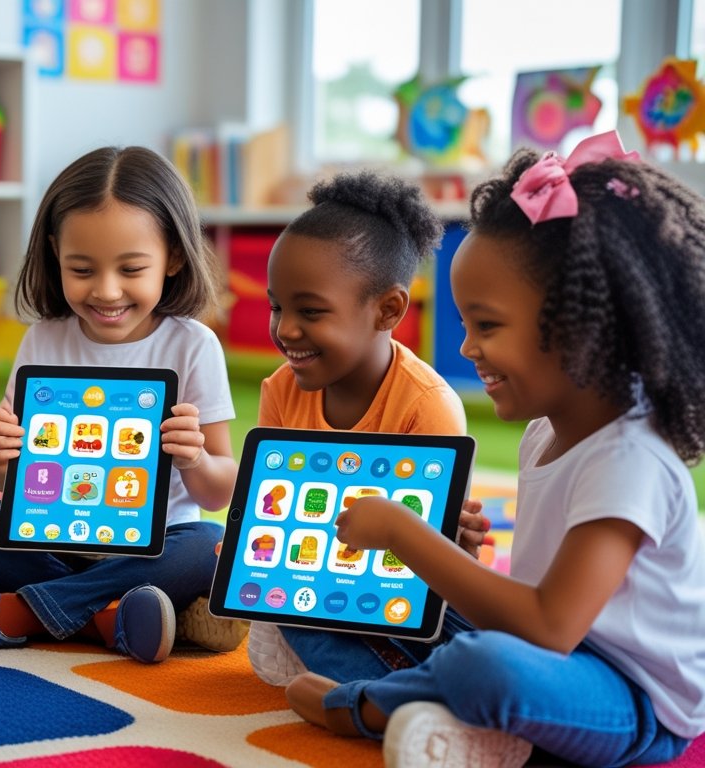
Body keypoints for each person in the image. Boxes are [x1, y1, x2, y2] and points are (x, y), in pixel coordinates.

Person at [285, 131, 705, 768]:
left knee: (485, 665)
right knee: (316, 593)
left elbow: (547, 626)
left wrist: (404, 532)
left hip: (632, 704)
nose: (467, 348)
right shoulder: (546, 430)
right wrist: (447, 548)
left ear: (583, 325)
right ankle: (457, 722)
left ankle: (368, 705)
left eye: (487, 326)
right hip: (546, 658)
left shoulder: (629, 458)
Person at [0, 146, 239, 663]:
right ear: (54, 255)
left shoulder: (192, 345)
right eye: (82, 269)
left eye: (132, 268)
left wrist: (196, 459)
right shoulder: (43, 340)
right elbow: (3, 481)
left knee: (209, 544)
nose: (106, 290)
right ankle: (106, 618)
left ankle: (21, 614)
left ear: (174, 257)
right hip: (49, 540)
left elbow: (216, 492)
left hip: (155, 544)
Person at [250, 171, 488, 686]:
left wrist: (456, 544)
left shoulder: (428, 407)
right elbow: (266, 510)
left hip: (399, 593)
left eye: (310, 312)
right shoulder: (280, 390)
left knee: (473, 630)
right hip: (309, 584)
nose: (285, 329)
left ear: (388, 309)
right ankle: (391, 692)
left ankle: (395, 688)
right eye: (277, 306)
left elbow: (438, 562)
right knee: (293, 609)